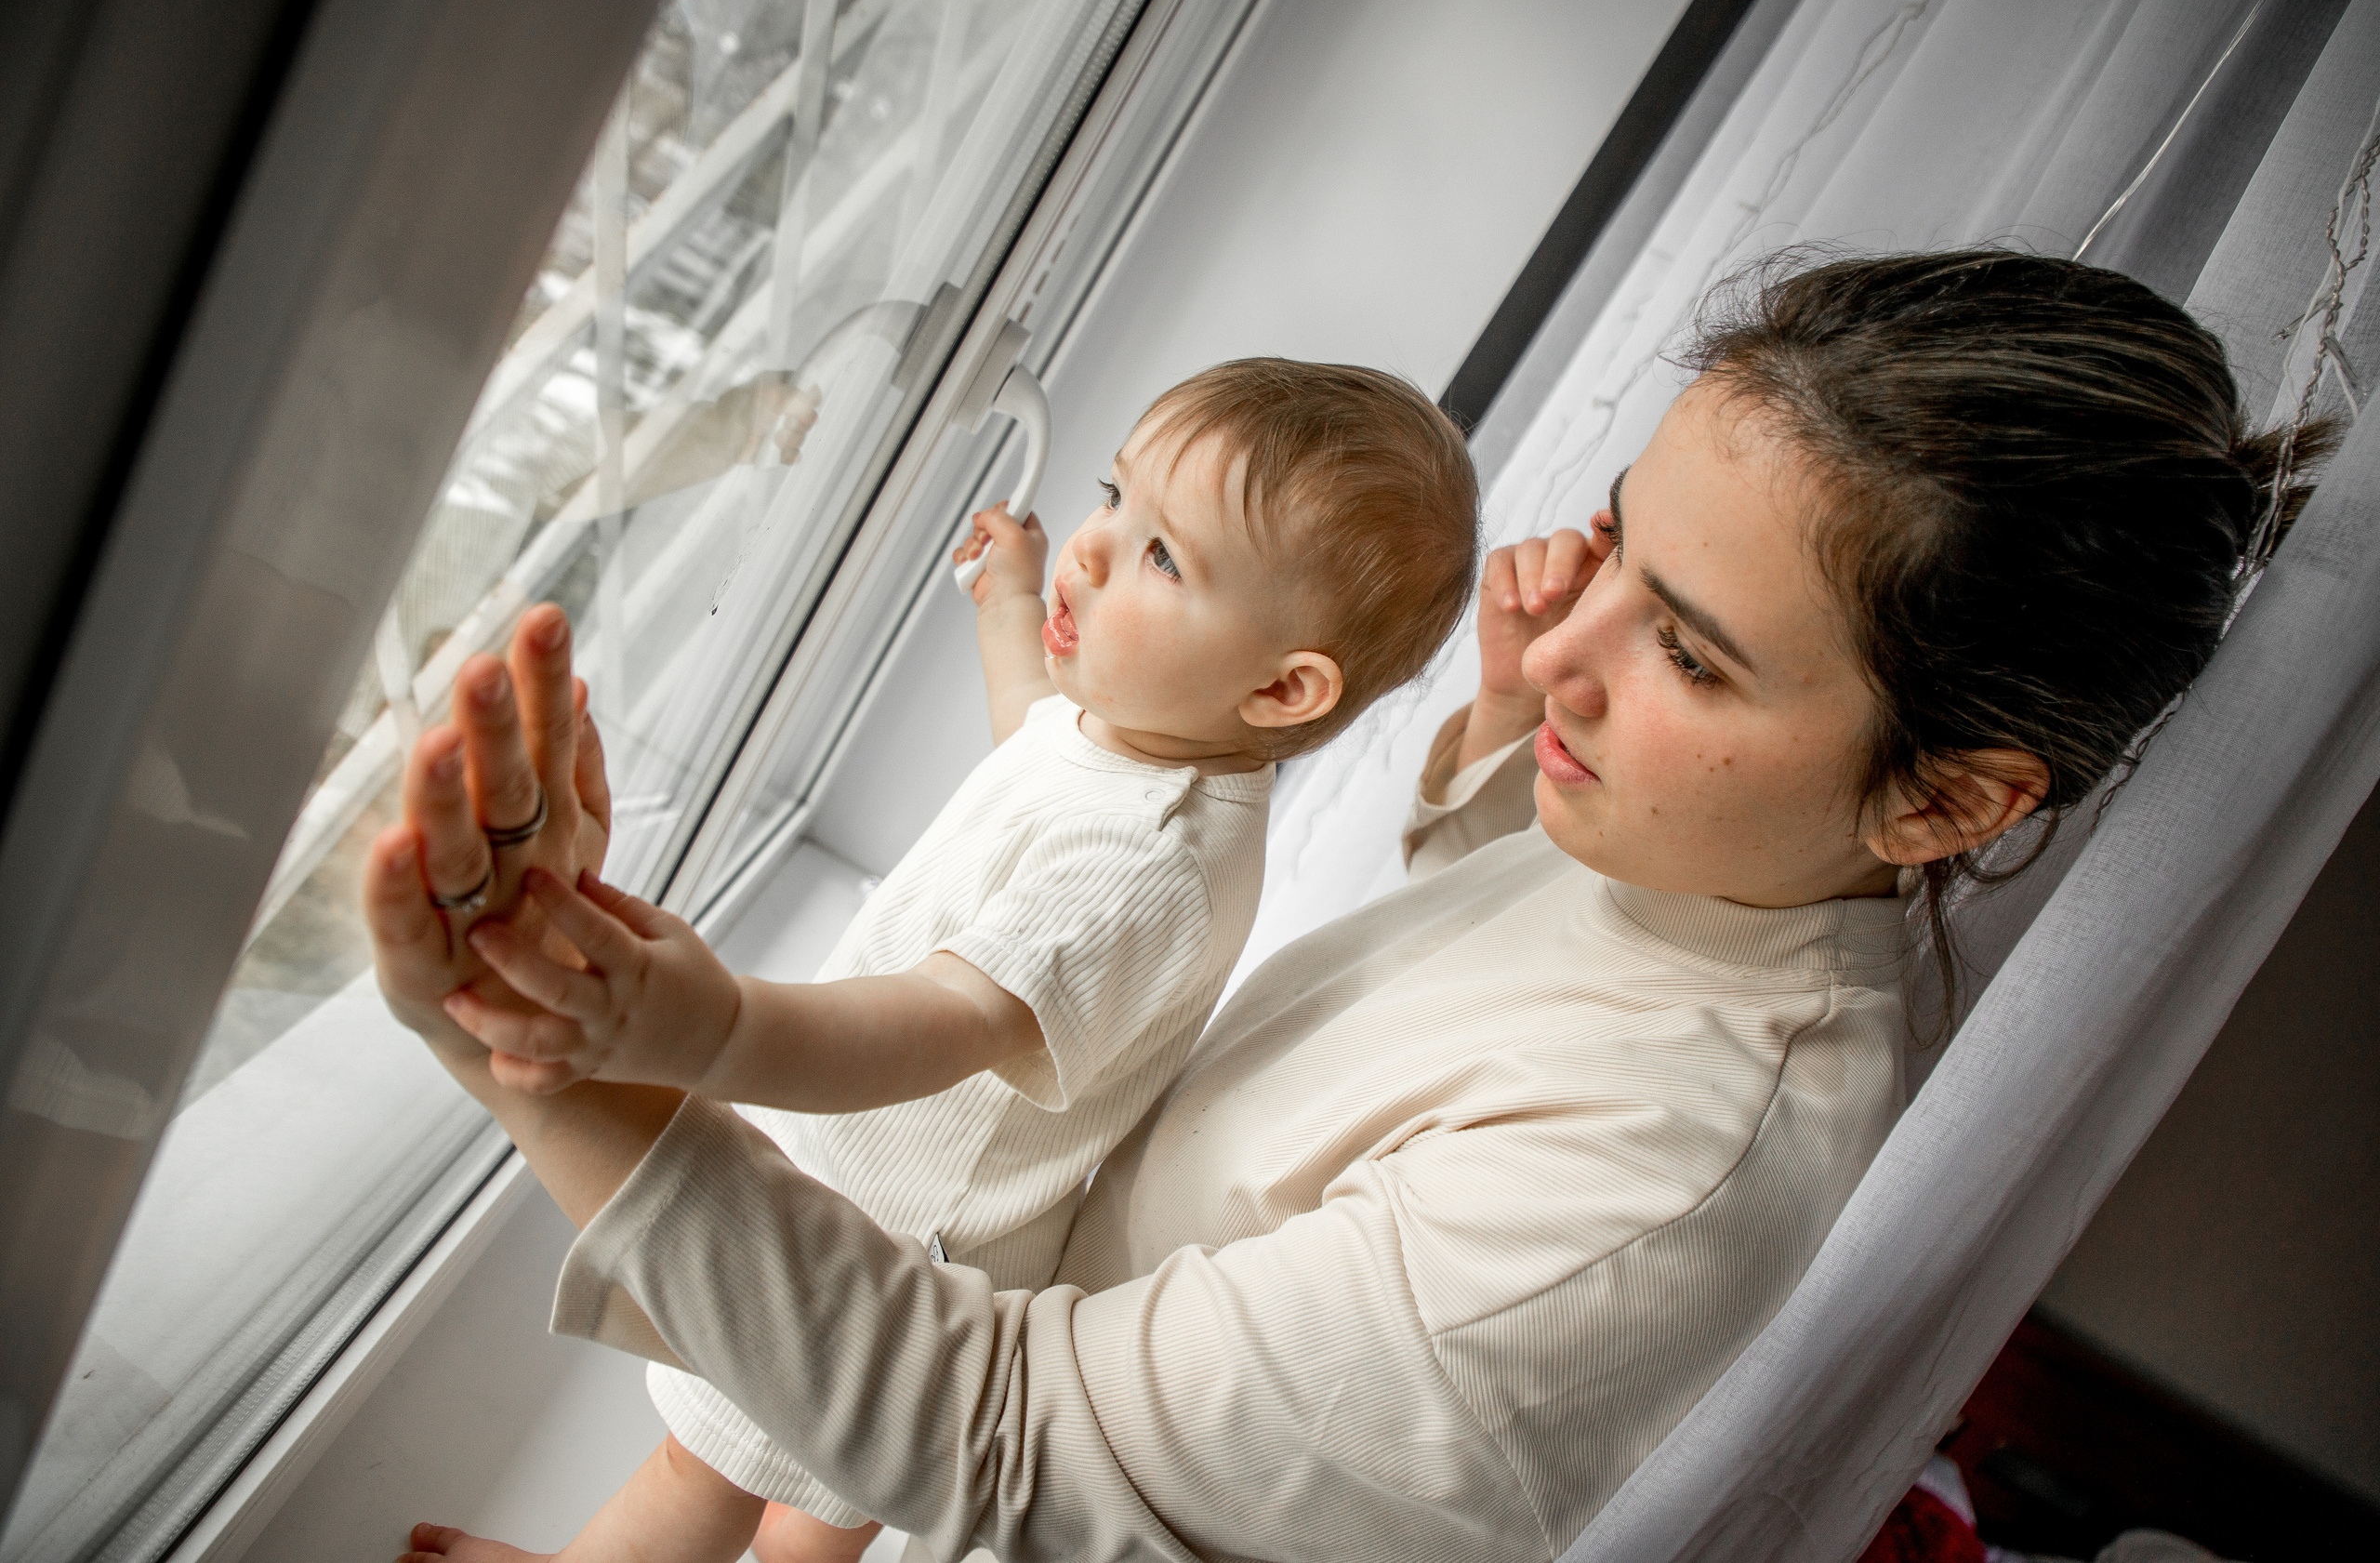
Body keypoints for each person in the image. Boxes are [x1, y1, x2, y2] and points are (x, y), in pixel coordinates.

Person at [373, 252, 2333, 1563]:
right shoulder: (1696, 863)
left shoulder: (1648, 1171)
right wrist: (1491, 736)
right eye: (1615, 558)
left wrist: (554, 1049)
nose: (1564, 644)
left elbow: (1002, 1434)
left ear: (1948, 796)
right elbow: (1452, 972)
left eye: (1694, 655)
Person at [396, 358, 1478, 1563]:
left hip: (901, 1231)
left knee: (716, 1469)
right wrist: (1014, 611)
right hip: (913, 1219)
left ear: (1282, 688)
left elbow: (928, 1022)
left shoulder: (1147, 864)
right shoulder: (1144, 738)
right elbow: (1038, 745)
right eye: (1112, 495)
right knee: (809, 1508)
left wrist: (706, 1030)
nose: (1091, 549)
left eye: (1162, 557)